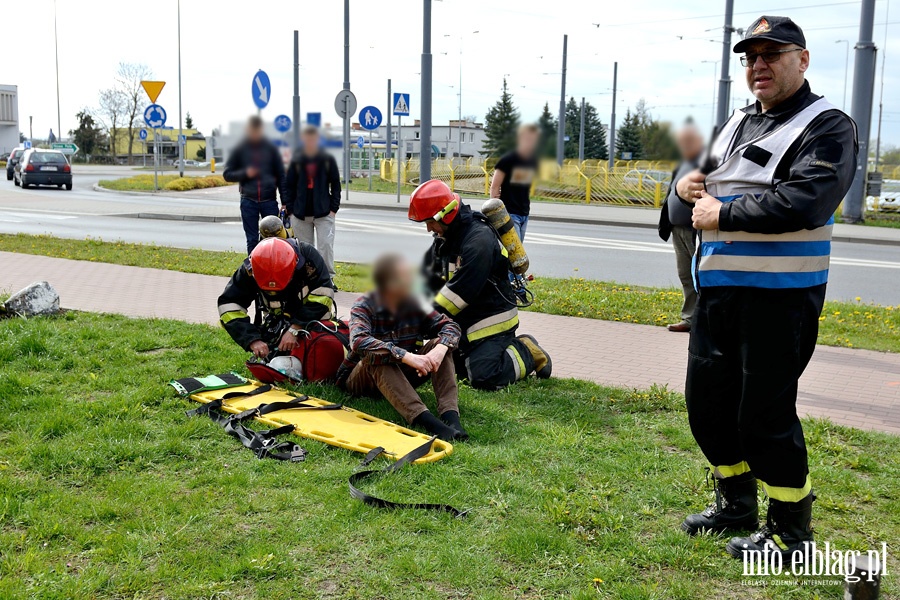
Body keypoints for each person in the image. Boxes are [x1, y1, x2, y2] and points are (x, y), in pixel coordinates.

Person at [675, 16, 857, 561]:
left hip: (780, 300)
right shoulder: (734, 122)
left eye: (771, 54)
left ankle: (790, 534)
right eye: (750, 57)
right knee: (707, 405)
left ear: (801, 60)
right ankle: (735, 504)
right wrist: (681, 187)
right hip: (719, 296)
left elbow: (806, 200)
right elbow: (690, 193)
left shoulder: (828, 126)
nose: (759, 65)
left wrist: (722, 212)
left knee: (765, 416)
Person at [409, 179, 552, 390]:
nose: (428, 228)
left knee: (483, 377)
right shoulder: (445, 237)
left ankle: (527, 350)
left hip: (492, 320)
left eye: (430, 221)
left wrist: (422, 322)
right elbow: (427, 279)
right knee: (452, 369)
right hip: (466, 320)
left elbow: (458, 295)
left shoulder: (479, 241)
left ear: (446, 214)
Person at [336, 254, 467, 442]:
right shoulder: (363, 305)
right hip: (362, 378)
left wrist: (440, 349)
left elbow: (451, 327)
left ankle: (451, 418)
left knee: (441, 345)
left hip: (400, 374)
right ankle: (428, 421)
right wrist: (406, 356)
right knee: (377, 357)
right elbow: (358, 341)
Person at [217, 237, 336, 357]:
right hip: (277, 318)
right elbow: (229, 306)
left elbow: (324, 295)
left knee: (319, 352)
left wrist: (295, 328)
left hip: (312, 318)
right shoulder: (250, 269)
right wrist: (252, 339)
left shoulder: (308, 259)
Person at [657, 121, 704, 333]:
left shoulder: (707, 163)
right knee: (686, 275)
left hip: (697, 229)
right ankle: (689, 319)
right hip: (678, 229)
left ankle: (705, 323)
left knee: (701, 276)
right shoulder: (682, 162)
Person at [223, 116, 287, 254]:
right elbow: (227, 174)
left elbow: (281, 176)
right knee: (252, 239)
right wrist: (246, 173)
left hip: (269, 201)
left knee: (271, 239)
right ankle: (254, 271)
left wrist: (285, 202)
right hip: (248, 201)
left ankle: (271, 269)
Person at [285, 125, 342, 279]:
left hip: (324, 213)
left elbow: (336, 185)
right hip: (300, 214)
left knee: (326, 247)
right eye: (307, 139)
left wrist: (333, 209)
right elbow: (288, 186)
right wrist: (290, 210)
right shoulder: (296, 161)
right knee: (304, 250)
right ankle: (307, 279)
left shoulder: (327, 159)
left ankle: (327, 278)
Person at [489, 124, 539, 241]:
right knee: (513, 254)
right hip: (510, 214)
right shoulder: (508, 160)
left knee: (516, 252)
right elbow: (495, 187)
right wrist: (495, 213)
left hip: (524, 213)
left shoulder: (532, 161)